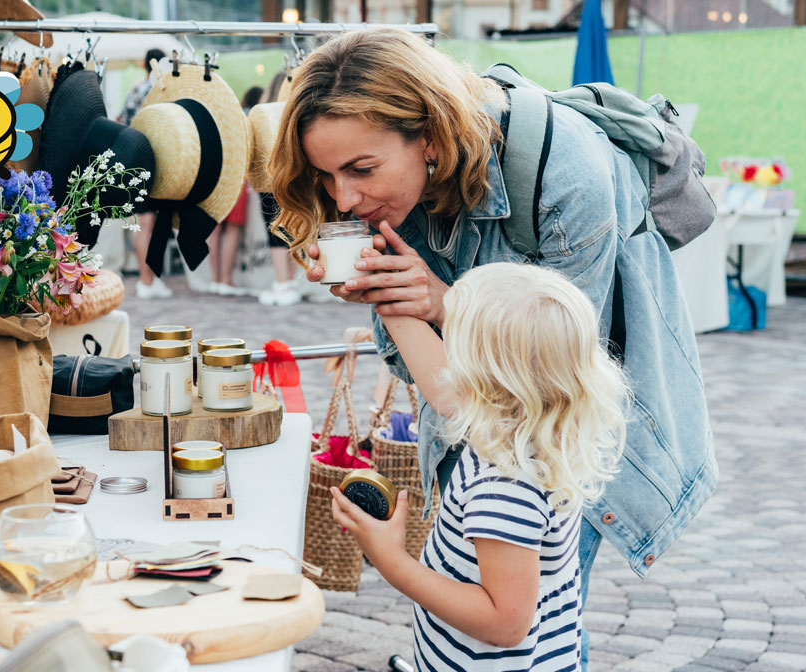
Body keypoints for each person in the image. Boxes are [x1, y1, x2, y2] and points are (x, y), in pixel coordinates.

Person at [269, 29, 716, 669]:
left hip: (573, 440)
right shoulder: (399, 199)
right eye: (326, 177)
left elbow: (558, 353)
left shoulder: (567, 173)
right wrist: (385, 294)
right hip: (481, 438)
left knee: (540, 619)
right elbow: (438, 381)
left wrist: (437, 299)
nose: (343, 199)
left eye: (360, 170)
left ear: (428, 137)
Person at [332, 262, 628, 671]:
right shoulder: (525, 432)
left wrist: (392, 561)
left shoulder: (503, 485)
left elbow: (505, 623)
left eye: (451, 340)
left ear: (478, 377)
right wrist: (387, 295)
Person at [119, 48, 170, 300]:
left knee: (144, 224)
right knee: (155, 224)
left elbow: (121, 120)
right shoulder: (164, 89)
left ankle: (146, 280)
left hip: (135, 160)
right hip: (161, 160)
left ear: (144, 63)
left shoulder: (137, 89)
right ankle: (150, 280)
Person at [204, 86, 264, 296]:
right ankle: (226, 280)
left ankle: (215, 279)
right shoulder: (251, 118)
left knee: (214, 229)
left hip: (212, 176)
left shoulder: (215, 119)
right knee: (232, 229)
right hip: (236, 175)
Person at [258, 71, 302, 307]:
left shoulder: (264, 114)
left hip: (267, 179)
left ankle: (282, 281)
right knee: (291, 229)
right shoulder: (293, 112)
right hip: (292, 176)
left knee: (274, 231)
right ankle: (288, 282)